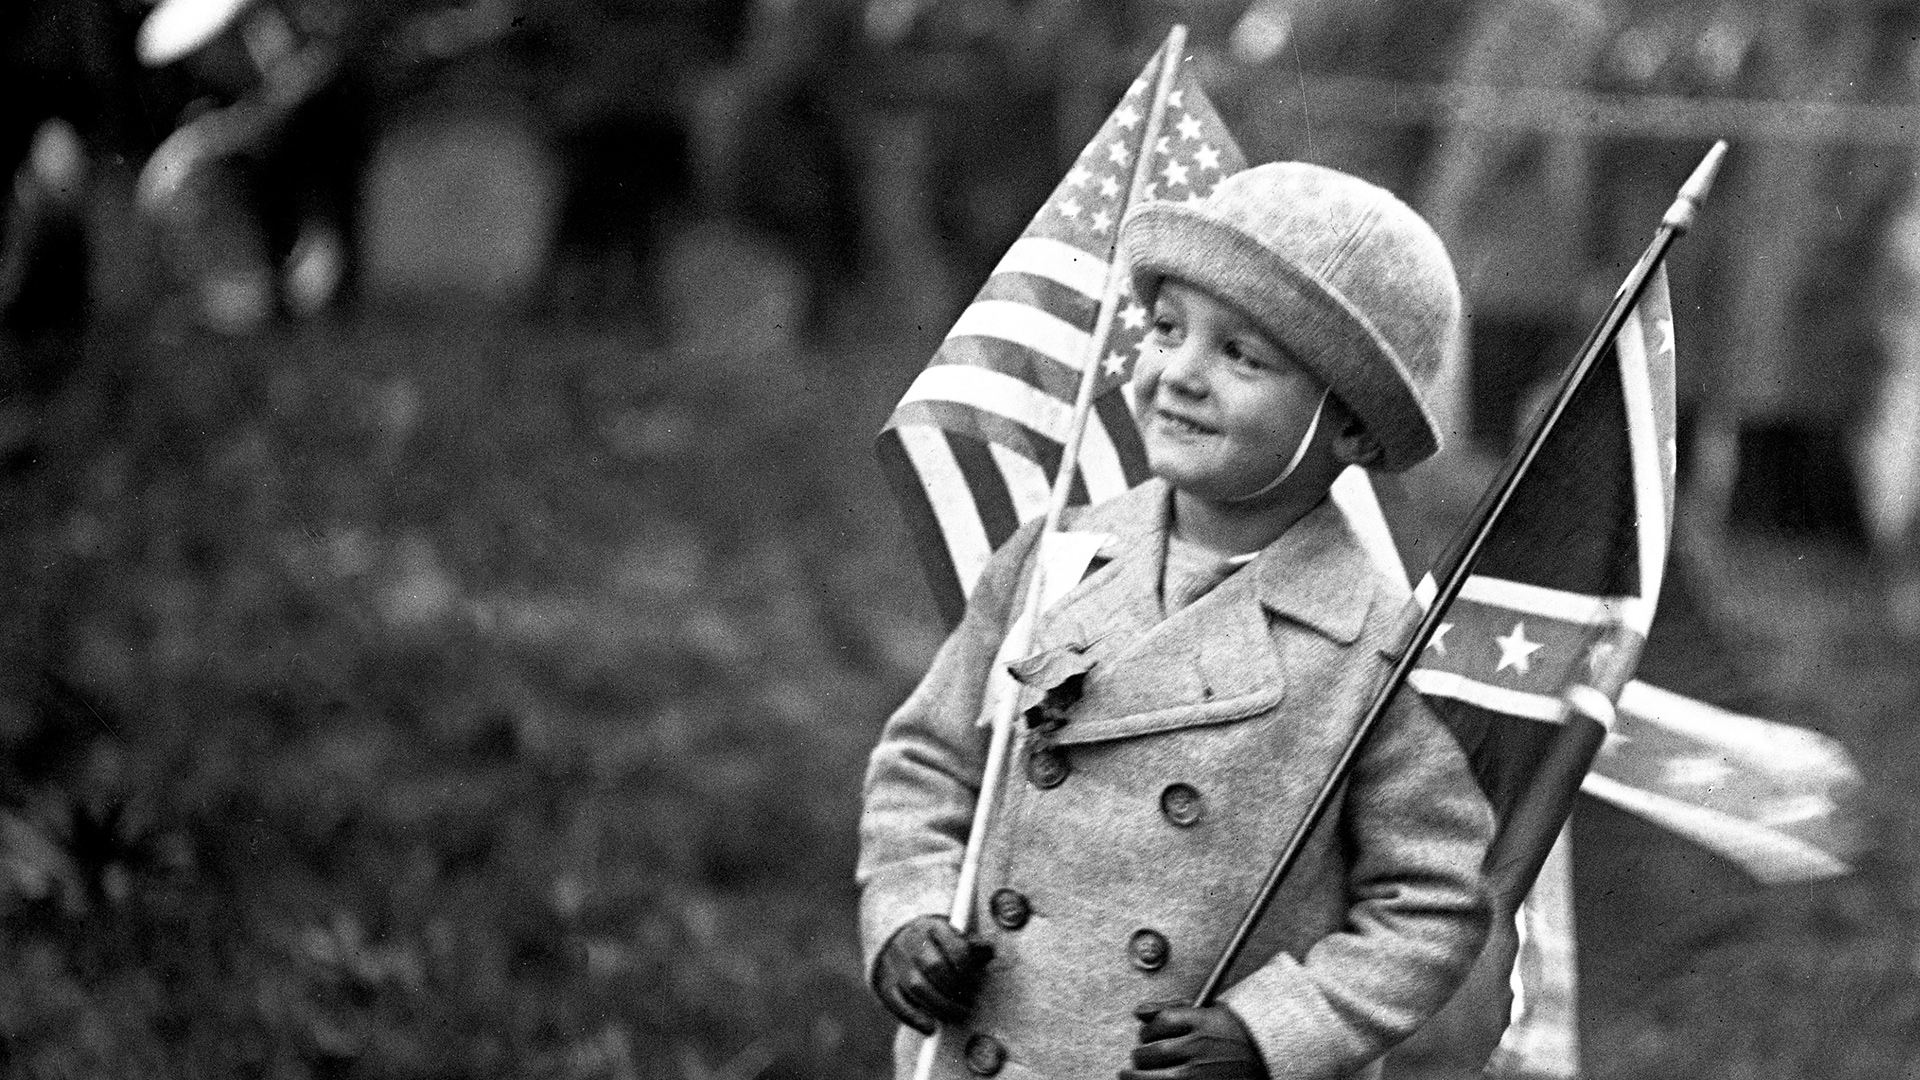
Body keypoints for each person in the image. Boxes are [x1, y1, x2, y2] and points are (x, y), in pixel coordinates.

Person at [857, 161, 1498, 1080]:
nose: (1180, 375)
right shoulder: (1053, 562)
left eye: (1243, 355)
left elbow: (1429, 905)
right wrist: (910, 915)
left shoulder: (1380, 650)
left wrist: (1273, 1033)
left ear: (1352, 428)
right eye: (1166, 331)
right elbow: (926, 765)